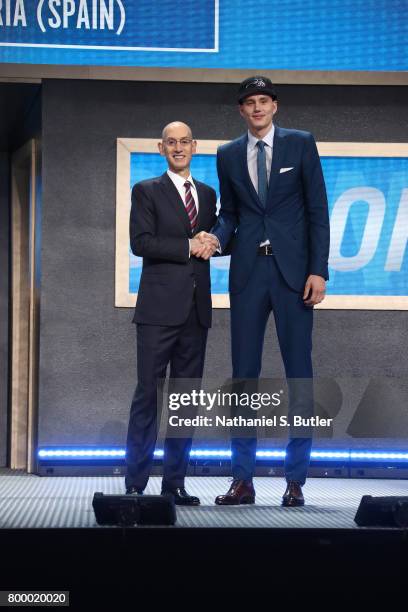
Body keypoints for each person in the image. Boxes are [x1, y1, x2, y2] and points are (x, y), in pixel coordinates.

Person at [200, 76, 330, 507]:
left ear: (274, 106)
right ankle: (243, 480)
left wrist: (318, 270)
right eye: (249, 103)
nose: (256, 109)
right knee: (243, 379)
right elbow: (230, 214)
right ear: (241, 110)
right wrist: (214, 238)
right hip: (249, 275)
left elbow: (317, 212)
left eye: (263, 101)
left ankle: (295, 479)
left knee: (300, 378)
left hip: (294, 276)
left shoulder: (301, 144)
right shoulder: (228, 154)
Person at [125, 121, 217, 505]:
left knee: (185, 403)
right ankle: (135, 484)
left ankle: (175, 484)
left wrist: (215, 241)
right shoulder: (147, 190)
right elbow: (141, 242)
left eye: (184, 142)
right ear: (161, 148)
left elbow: (212, 240)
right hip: (157, 311)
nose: (178, 148)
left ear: (194, 146)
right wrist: (188, 246)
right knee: (148, 395)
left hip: (196, 314)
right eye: (171, 143)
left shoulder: (209, 194)